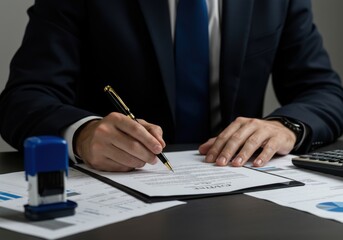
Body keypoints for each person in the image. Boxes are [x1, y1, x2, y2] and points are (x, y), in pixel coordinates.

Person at [1, 0, 343, 172]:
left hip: (236, 184)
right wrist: (83, 133)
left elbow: (324, 91)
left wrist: (287, 127)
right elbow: (24, 97)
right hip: (118, 191)